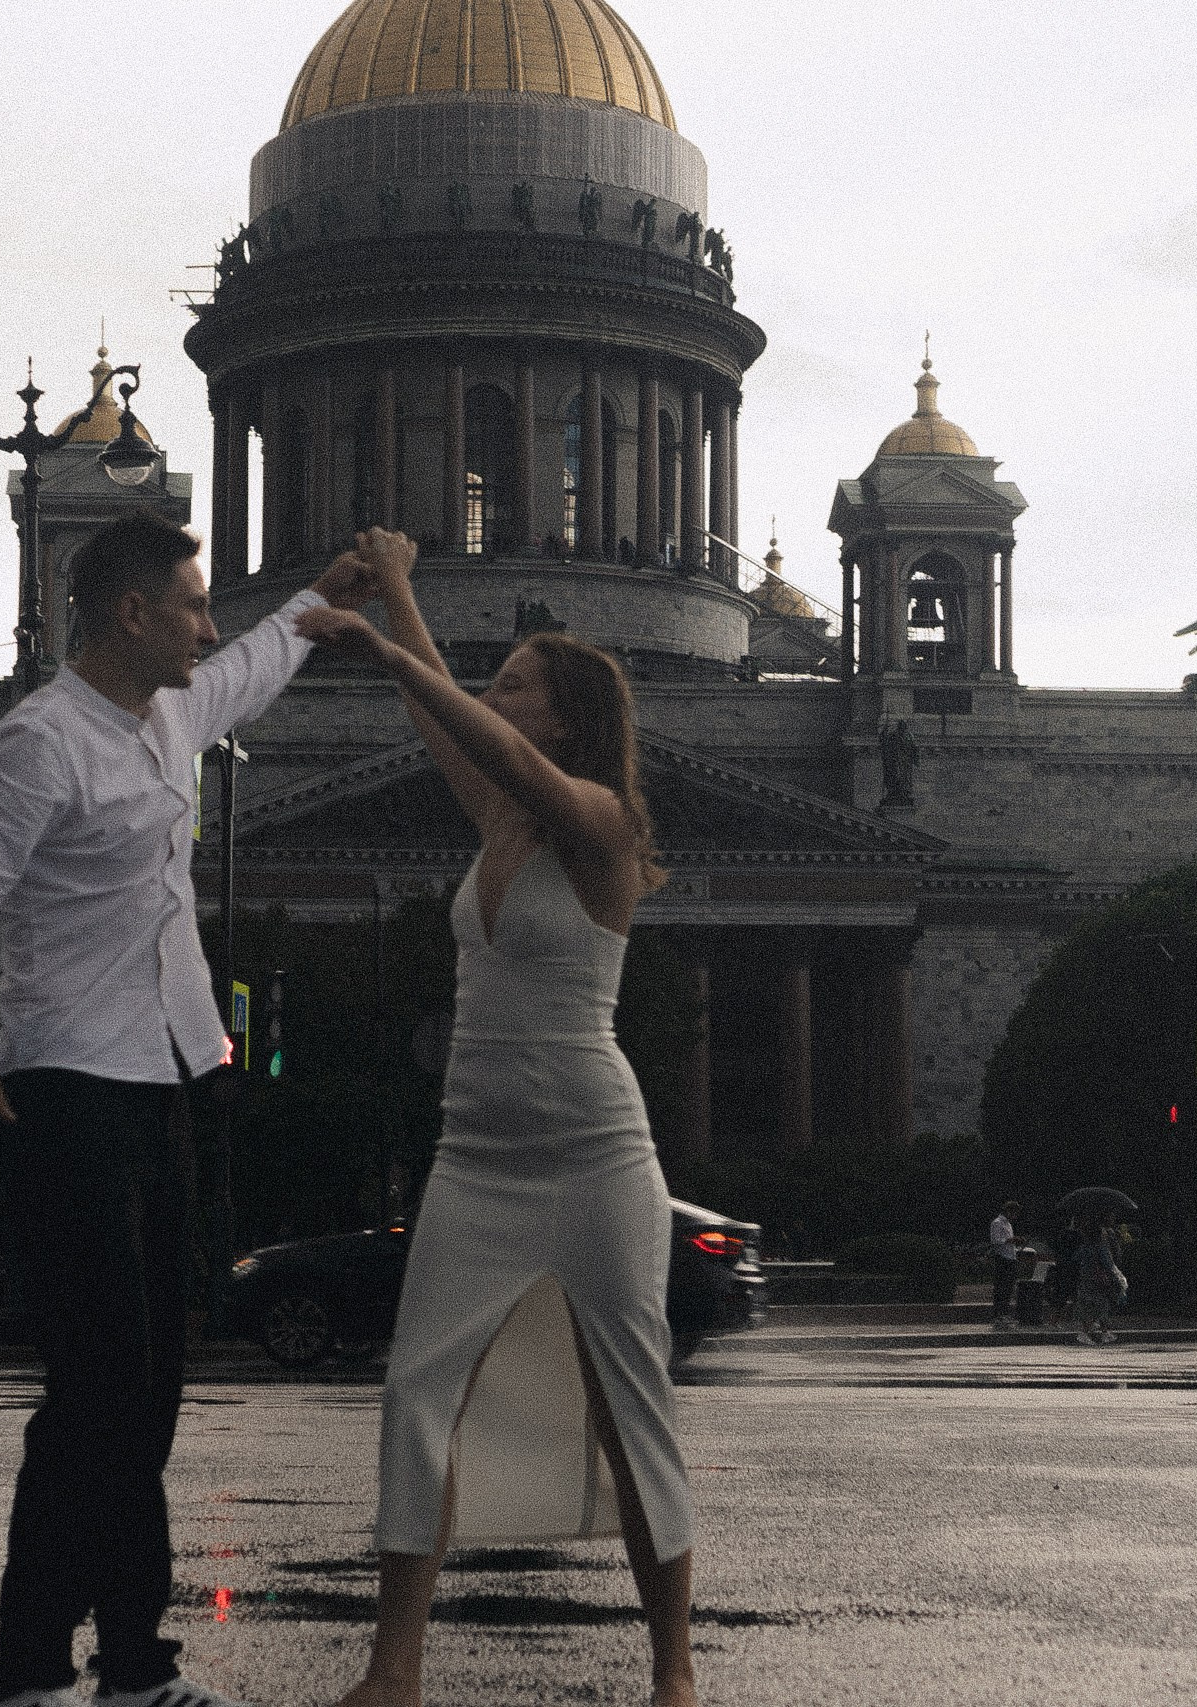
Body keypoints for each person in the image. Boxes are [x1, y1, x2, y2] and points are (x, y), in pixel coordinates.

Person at [0, 510, 377, 1707]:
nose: (209, 627)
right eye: (193, 606)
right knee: (97, 1395)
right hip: (64, 1094)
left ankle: (115, 1668)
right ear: (129, 613)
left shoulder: (169, 714)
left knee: (145, 1396)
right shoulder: (38, 745)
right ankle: (54, 1669)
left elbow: (256, 662)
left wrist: (322, 600)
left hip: (166, 1082)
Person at [296, 528, 699, 1707]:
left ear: (564, 721)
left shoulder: (598, 826)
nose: (489, 697)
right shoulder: (504, 824)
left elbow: (476, 738)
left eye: (513, 683)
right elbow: (452, 727)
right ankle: (393, 1671)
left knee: (633, 1409)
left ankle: (672, 1668)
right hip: (473, 1150)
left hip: (590, 1148)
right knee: (417, 1396)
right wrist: (406, 601)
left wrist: (376, 643)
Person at [1072, 1215, 1126, 1345]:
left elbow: (1075, 1258)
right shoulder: (1102, 1248)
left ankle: (1100, 1331)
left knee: (1087, 1305)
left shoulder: (1085, 1247)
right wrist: (1118, 1279)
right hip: (1099, 1280)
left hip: (1086, 1277)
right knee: (1101, 1305)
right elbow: (1109, 1265)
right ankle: (1093, 1332)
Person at [988, 1199, 1022, 1329]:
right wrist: (1009, 1240)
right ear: (1009, 1211)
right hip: (1002, 1258)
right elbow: (995, 1240)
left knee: (1008, 1287)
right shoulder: (997, 1223)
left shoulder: (1008, 1224)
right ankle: (998, 1314)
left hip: (1010, 1257)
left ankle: (1004, 1312)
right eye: (1015, 1213)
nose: (1016, 1216)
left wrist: (1015, 1242)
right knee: (1001, 1287)